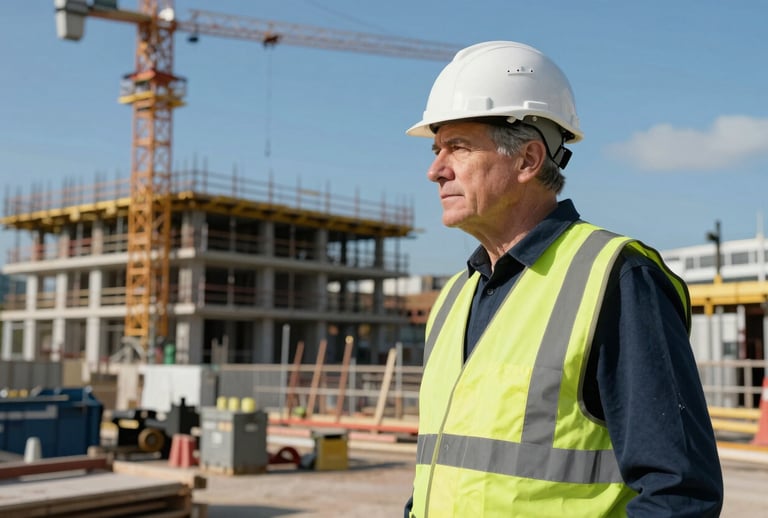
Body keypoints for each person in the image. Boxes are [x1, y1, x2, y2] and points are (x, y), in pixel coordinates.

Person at [403, 41, 723, 517]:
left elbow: (678, 493)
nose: (435, 170)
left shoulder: (616, 277)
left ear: (529, 160)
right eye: (436, 149)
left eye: (458, 147)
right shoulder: (454, 296)